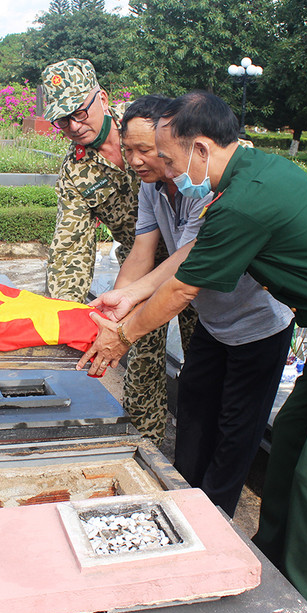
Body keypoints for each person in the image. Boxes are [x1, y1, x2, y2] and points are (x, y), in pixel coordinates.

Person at [78, 90, 307, 611]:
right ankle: (273, 565)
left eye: (169, 159)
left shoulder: (246, 197)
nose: (166, 170)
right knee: (286, 442)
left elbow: (182, 291)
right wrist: (128, 293)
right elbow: (181, 265)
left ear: (200, 148)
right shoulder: (245, 178)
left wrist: (123, 334)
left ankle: (304, 601)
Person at [110, 94, 294, 517]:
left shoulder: (202, 183)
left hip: (257, 324)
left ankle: (214, 520)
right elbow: (143, 252)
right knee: (193, 413)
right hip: (214, 323)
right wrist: (112, 306)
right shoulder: (152, 188)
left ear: (171, 142)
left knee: (236, 430)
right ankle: (181, 504)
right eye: (130, 150)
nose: (137, 161)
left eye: (147, 151)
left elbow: (185, 266)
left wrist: (125, 329)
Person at [41, 58, 197, 444]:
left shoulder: (153, 126)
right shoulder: (77, 172)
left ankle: (199, 442)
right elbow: (70, 248)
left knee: (204, 354)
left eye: (79, 112)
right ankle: (144, 448)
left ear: (102, 98)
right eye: (63, 120)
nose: (74, 126)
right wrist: (64, 319)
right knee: (140, 359)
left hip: (197, 257)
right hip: (140, 266)